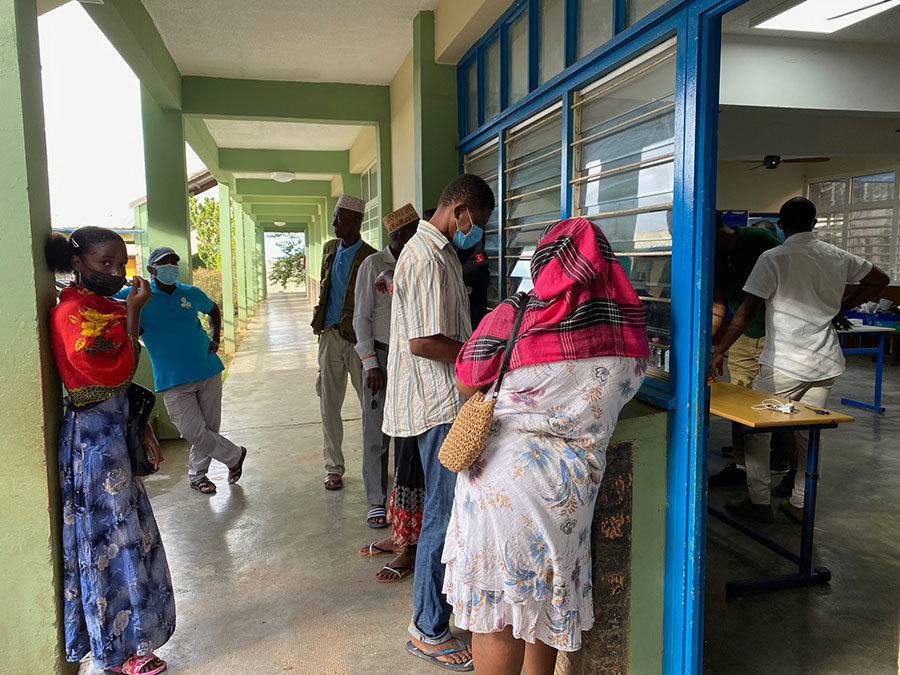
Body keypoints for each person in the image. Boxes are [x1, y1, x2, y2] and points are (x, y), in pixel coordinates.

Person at [444, 217, 648, 675]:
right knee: (542, 607)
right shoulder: (628, 333)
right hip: (569, 495)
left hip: (499, 490)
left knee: (497, 614)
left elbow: (465, 376)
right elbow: (625, 390)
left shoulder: (517, 314)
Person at [711, 197, 889, 523]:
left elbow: (748, 311)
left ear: (781, 224)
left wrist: (719, 348)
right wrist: (843, 307)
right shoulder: (836, 256)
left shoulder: (774, 257)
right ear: (814, 223)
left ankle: (759, 501)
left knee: (757, 433)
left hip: (784, 366)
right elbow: (880, 279)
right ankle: (800, 503)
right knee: (810, 435)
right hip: (825, 363)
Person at [46, 227, 175, 675]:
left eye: (121, 264)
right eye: (106, 264)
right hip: (94, 447)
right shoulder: (72, 315)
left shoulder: (103, 308)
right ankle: (118, 653)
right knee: (110, 544)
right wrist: (133, 317)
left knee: (131, 539)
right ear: (78, 264)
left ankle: (139, 641)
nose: (117, 272)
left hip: (115, 439)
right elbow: (114, 372)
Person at [383, 174, 495, 671]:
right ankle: (427, 627)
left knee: (447, 510)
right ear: (461, 211)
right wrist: (481, 358)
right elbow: (424, 341)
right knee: (442, 514)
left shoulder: (442, 252)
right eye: (479, 223)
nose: (478, 234)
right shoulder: (426, 257)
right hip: (435, 405)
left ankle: (439, 613)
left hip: (446, 399)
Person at [115, 246, 246, 495]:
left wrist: (215, 337)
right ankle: (234, 455)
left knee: (209, 428)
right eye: (165, 264)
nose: (171, 268)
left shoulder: (190, 292)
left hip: (207, 369)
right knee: (192, 431)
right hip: (172, 377)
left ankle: (198, 476)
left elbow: (213, 310)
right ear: (152, 269)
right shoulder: (139, 295)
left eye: (174, 263)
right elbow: (108, 300)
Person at [353, 204, 419, 529]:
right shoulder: (372, 265)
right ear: (400, 234)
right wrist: (370, 364)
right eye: (414, 231)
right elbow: (361, 318)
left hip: (411, 359)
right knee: (376, 431)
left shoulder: (416, 262)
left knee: (407, 430)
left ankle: (402, 497)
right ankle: (376, 500)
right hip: (381, 357)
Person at [708, 213, 782, 488]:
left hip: (776, 334)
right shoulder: (713, 256)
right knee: (738, 401)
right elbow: (719, 305)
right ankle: (741, 465)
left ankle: (782, 462)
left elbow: (790, 274)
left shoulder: (759, 240)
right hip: (740, 336)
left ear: (716, 228)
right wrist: (711, 347)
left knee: (779, 403)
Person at [311, 195, 376, 491]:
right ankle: (333, 467)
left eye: (339, 217)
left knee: (370, 406)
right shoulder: (329, 250)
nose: (334, 222)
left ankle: (372, 465)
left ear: (356, 221)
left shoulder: (371, 257)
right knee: (329, 405)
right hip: (329, 336)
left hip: (359, 340)